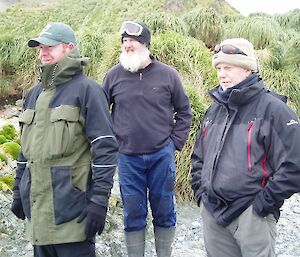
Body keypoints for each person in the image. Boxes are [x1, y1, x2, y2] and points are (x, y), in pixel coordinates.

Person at [10, 22, 118, 257]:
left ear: (70, 48)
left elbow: (105, 148)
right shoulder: (34, 94)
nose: (43, 52)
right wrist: (19, 190)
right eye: (40, 47)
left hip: (73, 216)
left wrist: (100, 200)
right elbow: (24, 152)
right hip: (39, 218)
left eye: (50, 46)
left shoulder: (88, 90)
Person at [191, 38, 300, 257]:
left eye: (228, 68)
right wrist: (200, 193)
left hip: (252, 216)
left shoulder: (274, 110)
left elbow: (295, 165)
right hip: (212, 212)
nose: (221, 74)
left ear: (247, 69)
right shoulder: (214, 111)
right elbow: (198, 157)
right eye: (219, 68)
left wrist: (262, 204)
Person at [102, 20, 192, 257]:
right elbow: (102, 114)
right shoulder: (113, 76)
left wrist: (174, 143)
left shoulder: (168, 75)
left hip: (161, 155)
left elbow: (184, 112)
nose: (127, 45)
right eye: (124, 41)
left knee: (164, 210)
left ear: (145, 44)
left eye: (132, 40)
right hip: (127, 158)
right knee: (133, 213)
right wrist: (114, 144)